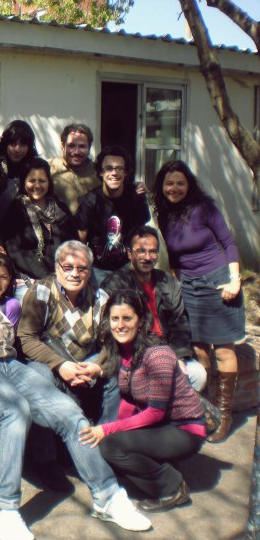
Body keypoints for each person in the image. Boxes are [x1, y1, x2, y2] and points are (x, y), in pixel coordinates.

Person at [0, 238, 151, 540]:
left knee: (69, 412)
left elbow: (7, 328)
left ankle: (107, 496)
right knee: (15, 411)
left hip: (6, 361)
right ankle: (2, 509)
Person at [79, 290, 206, 513]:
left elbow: (155, 412)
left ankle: (171, 487)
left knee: (110, 446)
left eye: (127, 318)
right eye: (115, 318)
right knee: (113, 446)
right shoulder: (122, 350)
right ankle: (161, 464)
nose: (120, 325)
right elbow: (128, 397)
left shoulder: (157, 355)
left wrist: (107, 430)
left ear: (140, 321)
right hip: (161, 425)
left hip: (184, 428)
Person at [153, 160, 245, 443]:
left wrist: (235, 280)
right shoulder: (164, 214)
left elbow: (228, 243)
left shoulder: (204, 208)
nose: (174, 188)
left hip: (218, 281)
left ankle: (224, 414)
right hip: (189, 286)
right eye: (169, 183)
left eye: (180, 183)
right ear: (162, 187)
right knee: (199, 349)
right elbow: (174, 255)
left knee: (223, 350)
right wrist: (176, 283)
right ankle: (204, 411)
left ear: (189, 185)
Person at [18, 240, 118, 424]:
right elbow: (26, 338)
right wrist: (61, 365)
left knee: (117, 371)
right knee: (39, 374)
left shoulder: (101, 299)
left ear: (90, 271)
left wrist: (97, 367)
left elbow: (111, 343)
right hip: (51, 363)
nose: (75, 274)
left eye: (82, 268)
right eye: (68, 267)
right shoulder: (41, 292)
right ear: (57, 268)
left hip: (86, 365)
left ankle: (105, 432)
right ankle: (60, 435)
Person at [100, 226, 207, 391]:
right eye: (141, 251)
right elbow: (110, 329)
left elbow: (179, 323)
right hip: (135, 354)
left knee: (198, 374)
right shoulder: (115, 284)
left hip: (168, 349)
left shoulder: (167, 282)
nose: (148, 257)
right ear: (129, 253)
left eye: (153, 252)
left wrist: (179, 356)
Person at [0, 157, 77, 303]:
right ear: (24, 182)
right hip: (30, 281)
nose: (37, 185)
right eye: (32, 180)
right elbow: (17, 252)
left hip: (64, 278)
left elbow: (73, 243)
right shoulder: (16, 210)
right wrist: (47, 277)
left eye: (42, 181)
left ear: (49, 182)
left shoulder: (60, 208)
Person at [75, 146, 150, 284]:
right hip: (98, 270)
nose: (114, 173)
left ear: (126, 172)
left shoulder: (135, 197)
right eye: (109, 168)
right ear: (101, 172)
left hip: (129, 268)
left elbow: (142, 235)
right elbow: (80, 241)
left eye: (119, 168)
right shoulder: (90, 201)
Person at [49, 123, 101, 214]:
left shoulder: (99, 171)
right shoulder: (48, 168)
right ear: (63, 146)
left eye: (82, 146)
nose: (76, 152)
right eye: (71, 146)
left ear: (89, 148)